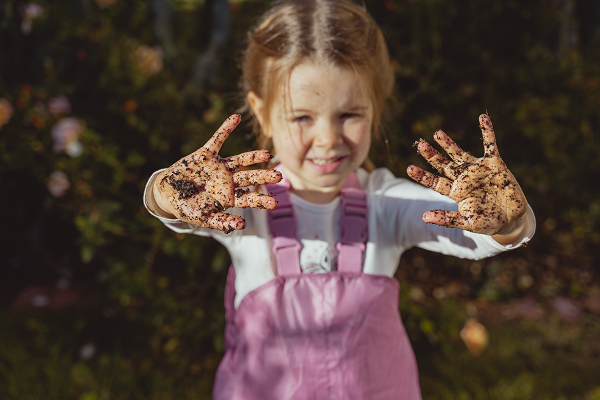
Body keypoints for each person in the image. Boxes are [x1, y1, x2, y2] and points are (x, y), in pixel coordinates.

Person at [143, 0, 536, 398]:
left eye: (349, 114)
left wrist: (505, 221)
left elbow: (467, 231)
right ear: (262, 114)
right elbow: (174, 212)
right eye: (302, 117)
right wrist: (170, 191)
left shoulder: (386, 203)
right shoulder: (245, 202)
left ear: (375, 108)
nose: (328, 139)